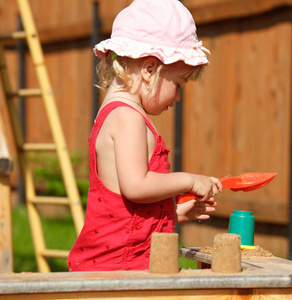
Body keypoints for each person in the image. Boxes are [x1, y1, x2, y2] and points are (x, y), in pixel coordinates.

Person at [67, 0, 222, 272]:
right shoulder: (128, 118)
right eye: (178, 85)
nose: (177, 97)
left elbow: (124, 209)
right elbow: (136, 186)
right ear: (150, 70)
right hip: (119, 271)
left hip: (118, 264)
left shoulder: (118, 113)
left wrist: (170, 213)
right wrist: (188, 180)